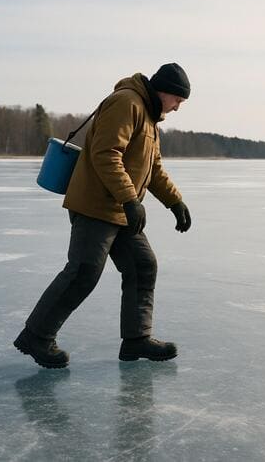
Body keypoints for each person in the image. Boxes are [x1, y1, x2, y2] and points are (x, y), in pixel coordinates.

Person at [14, 63, 192, 369]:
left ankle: (136, 340)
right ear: (166, 91)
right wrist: (129, 199)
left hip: (121, 209)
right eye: (178, 100)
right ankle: (36, 336)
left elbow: (154, 168)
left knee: (142, 265)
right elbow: (105, 153)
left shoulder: (149, 117)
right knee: (83, 271)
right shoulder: (127, 103)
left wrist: (174, 201)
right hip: (96, 206)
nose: (177, 107)